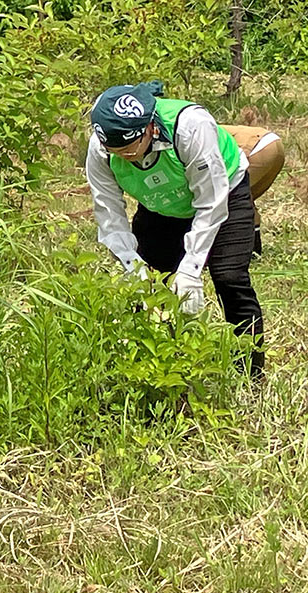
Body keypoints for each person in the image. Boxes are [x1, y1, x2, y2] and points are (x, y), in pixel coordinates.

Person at [86, 81, 264, 376]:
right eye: (117, 152)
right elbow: (109, 215)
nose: (126, 157)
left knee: (230, 278)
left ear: (149, 129)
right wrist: (135, 269)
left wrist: (191, 270)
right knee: (150, 289)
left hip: (223, 194)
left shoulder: (191, 127)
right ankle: (159, 370)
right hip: (160, 206)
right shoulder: (101, 149)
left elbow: (211, 203)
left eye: (131, 149)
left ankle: (250, 372)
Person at [221, 125, 285, 255]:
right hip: (273, 143)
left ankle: (238, 251)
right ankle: (254, 250)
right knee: (245, 198)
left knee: (229, 199)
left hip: (255, 146)